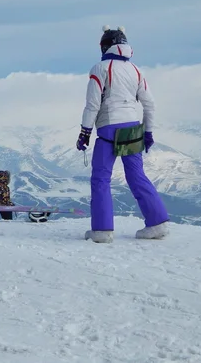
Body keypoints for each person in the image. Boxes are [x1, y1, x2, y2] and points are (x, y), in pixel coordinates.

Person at [76, 25, 169, 243]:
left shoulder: (99, 68)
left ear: (105, 46)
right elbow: (150, 104)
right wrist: (148, 131)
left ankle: (102, 230)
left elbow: (92, 104)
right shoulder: (136, 70)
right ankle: (157, 224)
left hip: (108, 127)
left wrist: (85, 132)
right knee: (137, 176)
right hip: (133, 127)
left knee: (101, 178)